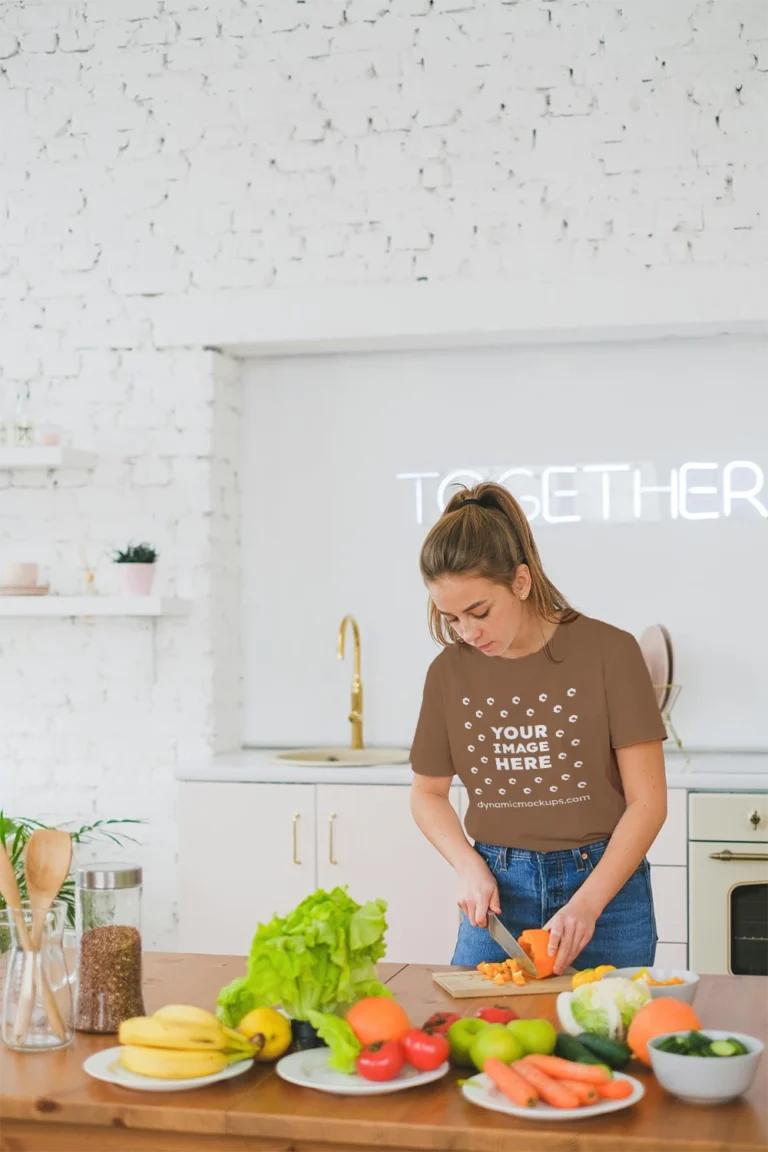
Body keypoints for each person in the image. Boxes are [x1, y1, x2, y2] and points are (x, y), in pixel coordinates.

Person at [409, 481, 667, 976]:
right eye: (452, 618)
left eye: (479, 612)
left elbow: (648, 802)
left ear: (521, 582)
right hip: (500, 892)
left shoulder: (610, 653)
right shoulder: (448, 673)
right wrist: (468, 866)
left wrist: (588, 904)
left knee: (606, 1042)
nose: (467, 632)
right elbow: (427, 794)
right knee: (481, 1042)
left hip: (607, 891)